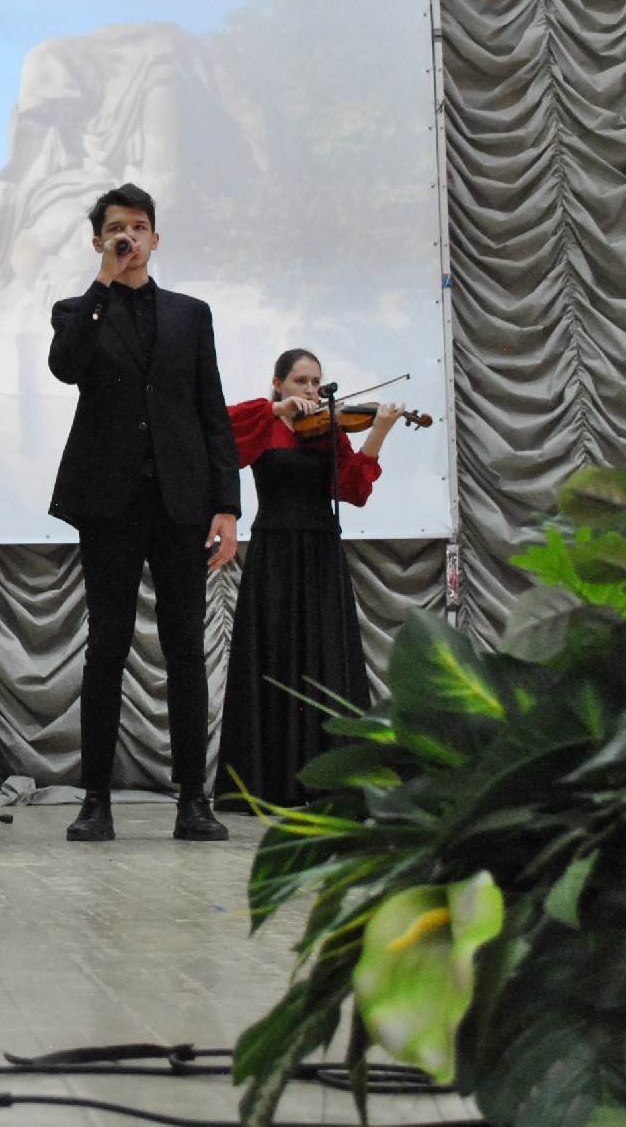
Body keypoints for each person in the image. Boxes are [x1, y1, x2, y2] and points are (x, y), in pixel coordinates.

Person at [46, 183, 242, 843]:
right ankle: (95, 799)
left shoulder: (191, 314)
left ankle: (194, 800)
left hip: (181, 500)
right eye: (115, 229)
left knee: (185, 648)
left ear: (156, 237)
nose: (128, 236)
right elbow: (66, 367)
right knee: (108, 645)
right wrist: (104, 281)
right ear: (98, 240)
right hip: (109, 502)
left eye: (137, 226)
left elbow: (211, 410)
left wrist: (226, 505)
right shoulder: (77, 310)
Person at [216, 350, 403, 811]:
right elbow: (217, 429)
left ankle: (331, 784)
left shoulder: (328, 429)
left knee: (327, 659)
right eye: (301, 381)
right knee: (273, 656)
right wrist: (275, 409)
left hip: (321, 552)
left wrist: (378, 432)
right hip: (274, 551)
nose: (311, 390)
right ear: (278, 382)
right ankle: (265, 783)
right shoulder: (264, 421)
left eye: (316, 382)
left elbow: (353, 490)